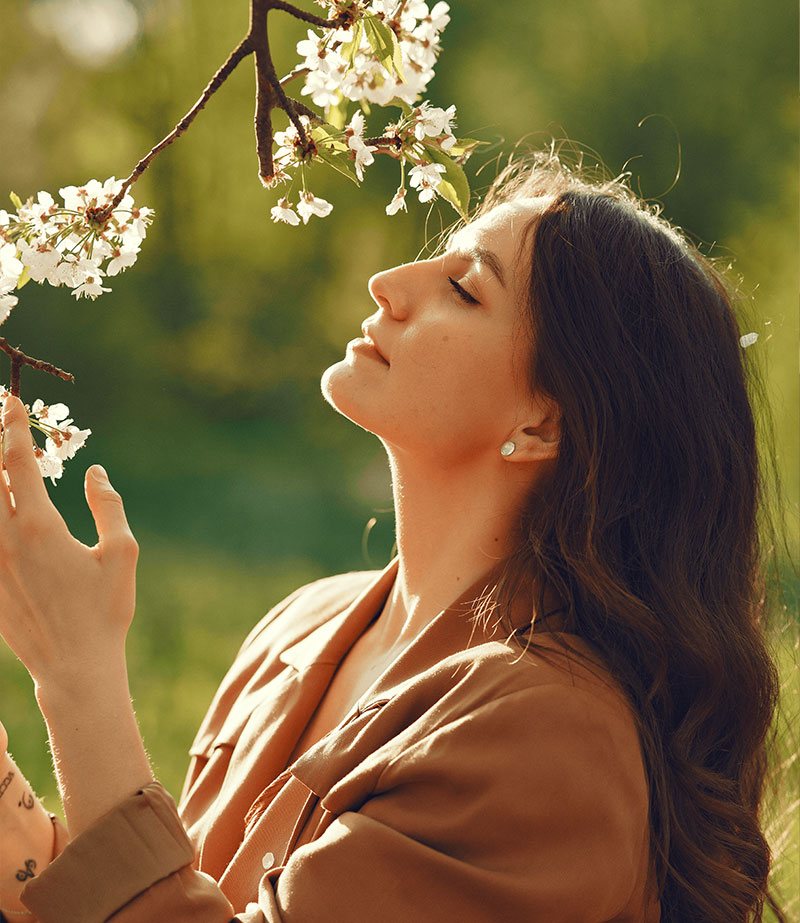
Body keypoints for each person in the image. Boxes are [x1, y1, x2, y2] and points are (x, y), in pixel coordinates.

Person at [0, 152, 788, 923]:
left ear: (543, 421)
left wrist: (76, 672)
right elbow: (148, 894)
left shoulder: (555, 738)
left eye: (463, 288)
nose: (389, 283)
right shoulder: (303, 625)